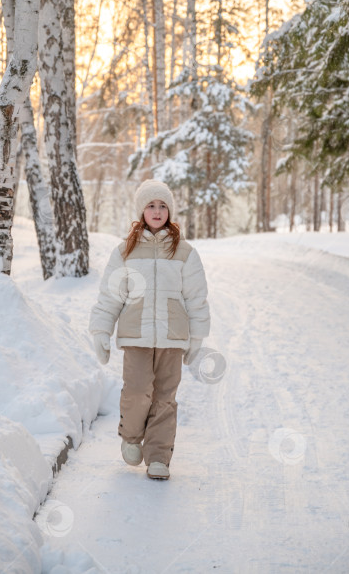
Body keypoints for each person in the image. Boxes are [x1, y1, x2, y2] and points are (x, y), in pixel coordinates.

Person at [89, 179, 211, 480]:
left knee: (165, 397)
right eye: (151, 206)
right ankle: (131, 437)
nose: (157, 211)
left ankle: (158, 456)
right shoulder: (125, 252)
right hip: (136, 336)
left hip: (172, 337)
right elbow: (110, 295)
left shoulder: (184, 252)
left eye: (162, 206)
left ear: (170, 211)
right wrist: (101, 331)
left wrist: (197, 336)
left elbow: (196, 297)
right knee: (137, 391)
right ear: (141, 211)